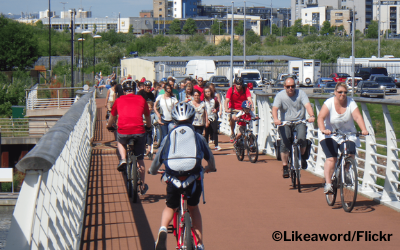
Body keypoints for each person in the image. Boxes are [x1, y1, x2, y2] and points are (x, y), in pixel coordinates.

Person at [149, 102, 216, 250]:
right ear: (192, 119)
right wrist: (210, 168)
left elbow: (158, 158)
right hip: (193, 178)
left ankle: (163, 229)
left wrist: (153, 171)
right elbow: (210, 158)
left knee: (170, 206)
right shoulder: (198, 137)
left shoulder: (168, 137)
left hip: (173, 177)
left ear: (174, 120)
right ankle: (199, 245)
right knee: (193, 208)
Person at [317, 82, 368, 194]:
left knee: (350, 153)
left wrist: (363, 129)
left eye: (345, 92)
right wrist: (323, 129)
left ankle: (344, 173)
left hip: (347, 133)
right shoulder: (329, 103)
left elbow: (357, 117)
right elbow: (320, 117)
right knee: (332, 158)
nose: (342, 94)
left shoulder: (351, 102)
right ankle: (328, 184)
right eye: (340, 92)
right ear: (335, 92)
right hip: (330, 133)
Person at [107, 81, 151, 195]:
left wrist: (109, 125)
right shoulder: (141, 99)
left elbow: (113, 116)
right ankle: (142, 185)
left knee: (120, 141)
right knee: (140, 159)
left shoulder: (118, 100)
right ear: (135, 89)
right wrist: (149, 126)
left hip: (123, 130)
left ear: (124, 90)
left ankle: (123, 159)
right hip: (139, 131)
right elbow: (147, 115)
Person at [272, 77, 315, 178]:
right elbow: (275, 108)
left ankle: (303, 158)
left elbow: (307, 105)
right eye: (288, 87)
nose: (290, 88)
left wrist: (312, 115)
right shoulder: (280, 96)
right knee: (284, 143)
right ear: (284, 87)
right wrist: (276, 119)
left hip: (299, 121)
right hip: (285, 122)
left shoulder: (301, 94)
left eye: (292, 86)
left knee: (302, 139)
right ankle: (285, 166)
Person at [224, 77, 254, 142]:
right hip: (233, 109)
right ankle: (232, 132)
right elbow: (226, 100)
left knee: (246, 119)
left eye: (240, 84)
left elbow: (249, 99)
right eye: (237, 84)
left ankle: (245, 134)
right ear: (235, 84)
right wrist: (226, 109)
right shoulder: (231, 90)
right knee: (232, 118)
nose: (239, 86)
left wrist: (252, 107)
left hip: (243, 109)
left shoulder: (245, 89)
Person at [203, 86, 221, 151]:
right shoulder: (203, 100)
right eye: (206, 92)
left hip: (213, 117)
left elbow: (218, 106)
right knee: (206, 132)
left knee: (215, 131)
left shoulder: (214, 99)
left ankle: (216, 145)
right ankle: (206, 146)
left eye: (209, 91)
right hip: (206, 117)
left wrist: (216, 110)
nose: (208, 93)